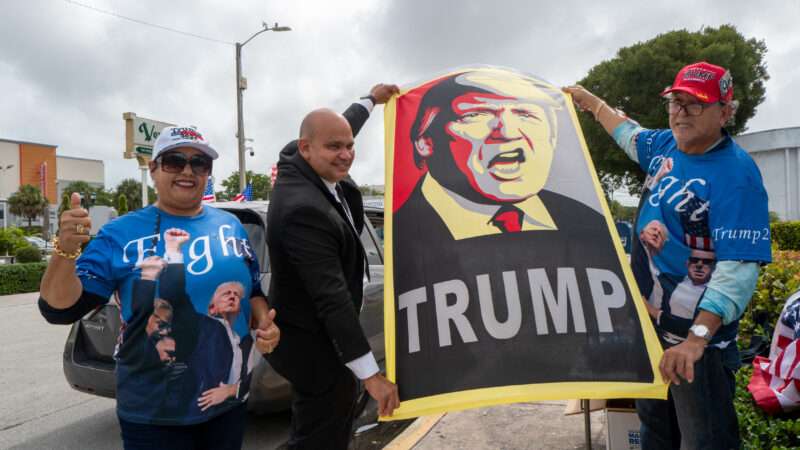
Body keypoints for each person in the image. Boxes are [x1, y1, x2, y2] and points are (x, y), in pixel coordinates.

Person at [393, 70, 653, 402]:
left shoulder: (586, 223)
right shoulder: (407, 239)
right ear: (424, 142)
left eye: (526, 114)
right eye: (476, 115)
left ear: (553, 138)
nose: (507, 132)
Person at [565, 61, 772, 449]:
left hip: (696, 350)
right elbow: (628, 133)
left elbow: (738, 269)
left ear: (724, 112)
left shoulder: (736, 176)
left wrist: (695, 340)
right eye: (675, 102)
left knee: (703, 439)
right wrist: (592, 103)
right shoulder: (665, 146)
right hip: (651, 332)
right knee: (655, 431)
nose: (680, 112)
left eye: (694, 104)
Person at [38, 125, 280, 450]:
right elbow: (60, 308)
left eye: (200, 164)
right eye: (174, 161)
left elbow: (251, 289)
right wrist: (64, 250)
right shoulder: (119, 234)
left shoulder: (230, 225)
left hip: (228, 403)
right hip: (154, 413)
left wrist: (265, 323)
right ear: (153, 169)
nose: (187, 171)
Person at [266, 83, 400, 449]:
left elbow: (339, 127)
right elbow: (331, 299)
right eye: (334, 148)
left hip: (319, 334)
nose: (345, 155)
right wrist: (372, 376)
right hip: (310, 340)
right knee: (322, 428)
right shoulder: (302, 211)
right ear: (306, 148)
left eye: (349, 147)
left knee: (337, 415)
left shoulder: (299, 155)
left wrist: (370, 100)